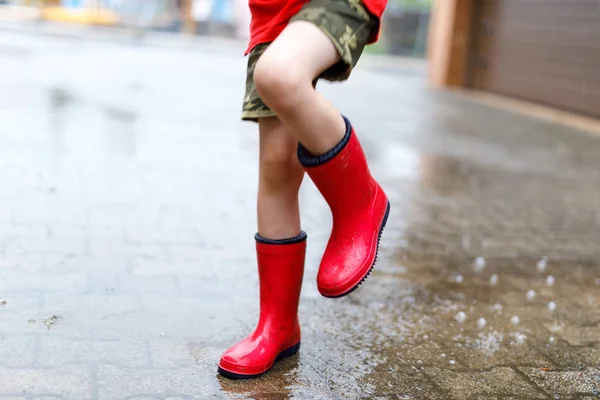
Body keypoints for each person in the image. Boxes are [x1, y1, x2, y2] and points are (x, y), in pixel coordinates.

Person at [218, 0, 390, 380]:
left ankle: (361, 202)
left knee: (279, 75)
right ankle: (277, 327)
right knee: (277, 165)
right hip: (270, 16)